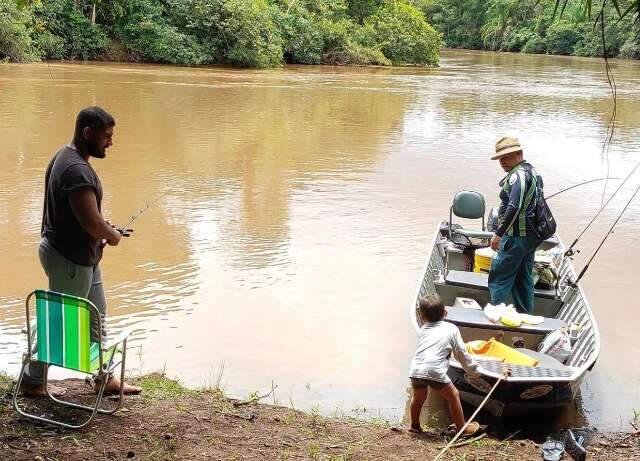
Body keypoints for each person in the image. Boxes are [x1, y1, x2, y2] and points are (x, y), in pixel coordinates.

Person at [20, 106, 142, 397]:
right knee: (59, 321)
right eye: (107, 136)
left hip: (80, 256)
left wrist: (101, 229)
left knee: (97, 317)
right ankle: (32, 381)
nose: (110, 142)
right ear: (88, 133)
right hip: (69, 260)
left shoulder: (66, 156)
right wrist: (110, 234)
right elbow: (90, 220)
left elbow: (81, 216)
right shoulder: (76, 170)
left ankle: (104, 377)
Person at [408, 295, 480, 436]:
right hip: (434, 371)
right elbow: (461, 354)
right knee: (453, 395)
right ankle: (462, 429)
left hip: (416, 369)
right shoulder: (451, 328)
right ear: (445, 313)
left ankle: (414, 425)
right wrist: (474, 371)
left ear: (422, 318)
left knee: (418, 397)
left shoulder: (423, 330)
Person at [488, 136, 541, 314]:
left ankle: (495, 317)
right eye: (500, 159)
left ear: (519, 154)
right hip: (531, 237)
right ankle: (526, 316)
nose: (502, 162)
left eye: (506, 157)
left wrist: (499, 234)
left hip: (516, 236)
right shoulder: (532, 172)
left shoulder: (516, 176)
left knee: (499, 276)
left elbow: (514, 206)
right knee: (523, 278)